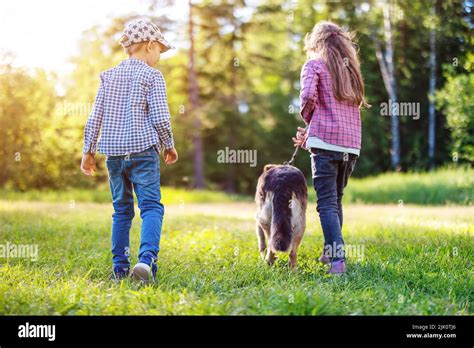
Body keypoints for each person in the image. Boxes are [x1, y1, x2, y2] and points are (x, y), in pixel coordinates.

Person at [80, 19, 178, 283]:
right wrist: (169, 144)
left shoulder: (108, 76)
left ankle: (120, 268)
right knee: (150, 208)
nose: (160, 56)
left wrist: (88, 150)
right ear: (148, 45)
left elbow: (95, 116)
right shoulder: (152, 76)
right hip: (143, 153)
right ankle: (146, 262)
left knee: (122, 211)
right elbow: (160, 118)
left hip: (113, 156)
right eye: (159, 49)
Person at [293, 21, 369, 274]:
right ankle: (330, 254)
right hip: (351, 146)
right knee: (335, 201)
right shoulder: (351, 72)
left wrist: (309, 122)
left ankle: (338, 262)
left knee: (326, 204)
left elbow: (307, 98)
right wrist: (312, 133)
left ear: (315, 42)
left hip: (326, 144)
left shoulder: (314, 65)